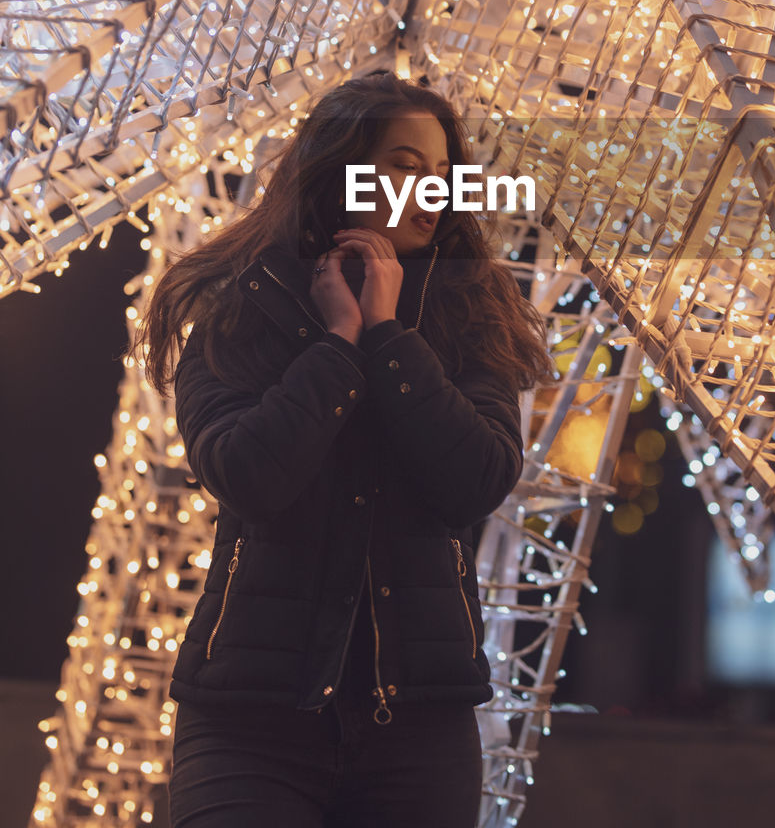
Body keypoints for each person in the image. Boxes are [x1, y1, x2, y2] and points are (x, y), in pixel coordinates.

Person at [139, 70, 554, 828]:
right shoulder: (242, 311)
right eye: (403, 165)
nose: (427, 190)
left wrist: (390, 336)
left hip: (418, 734)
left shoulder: (470, 315)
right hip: (249, 723)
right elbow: (246, 474)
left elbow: (477, 479)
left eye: (441, 175)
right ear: (338, 169)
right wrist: (337, 344)